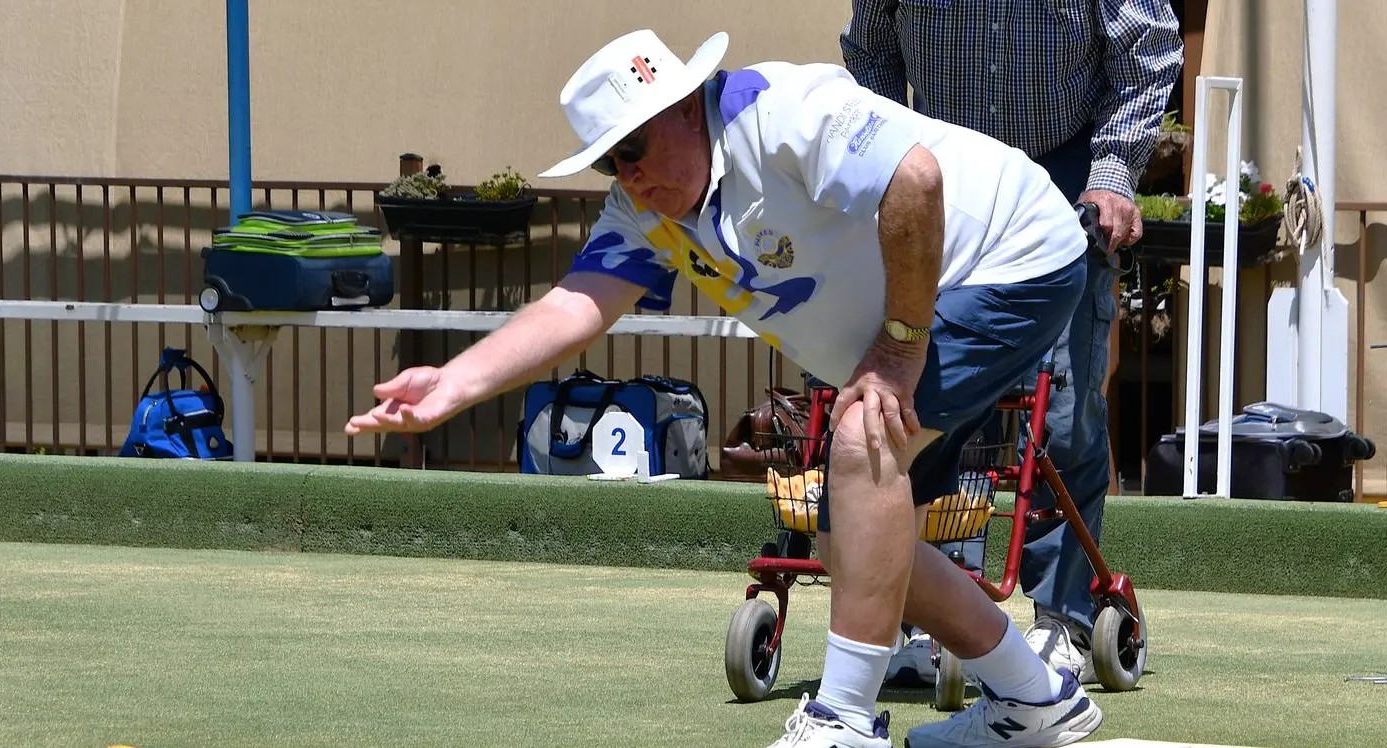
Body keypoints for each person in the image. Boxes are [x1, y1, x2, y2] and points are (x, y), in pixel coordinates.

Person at [347, 29, 1103, 748]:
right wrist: (452, 381)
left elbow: (916, 179)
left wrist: (899, 350)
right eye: (609, 162)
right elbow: (575, 306)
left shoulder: (780, 113)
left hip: (1013, 258)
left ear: (683, 106)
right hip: (940, 295)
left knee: (861, 436)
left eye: (633, 148)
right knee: (853, 539)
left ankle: (843, 720)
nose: (628, 175)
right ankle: (1034, 698)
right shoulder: (646, 211)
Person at [841, 1, 1184, 685]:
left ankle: (1063, 619)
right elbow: (871, 52)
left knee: (1065, 412)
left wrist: (1113, 173)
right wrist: (885, 163)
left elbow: (1147, 48)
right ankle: (933, 610)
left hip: (1066, 175)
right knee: (934, 399)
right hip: (944, 177)